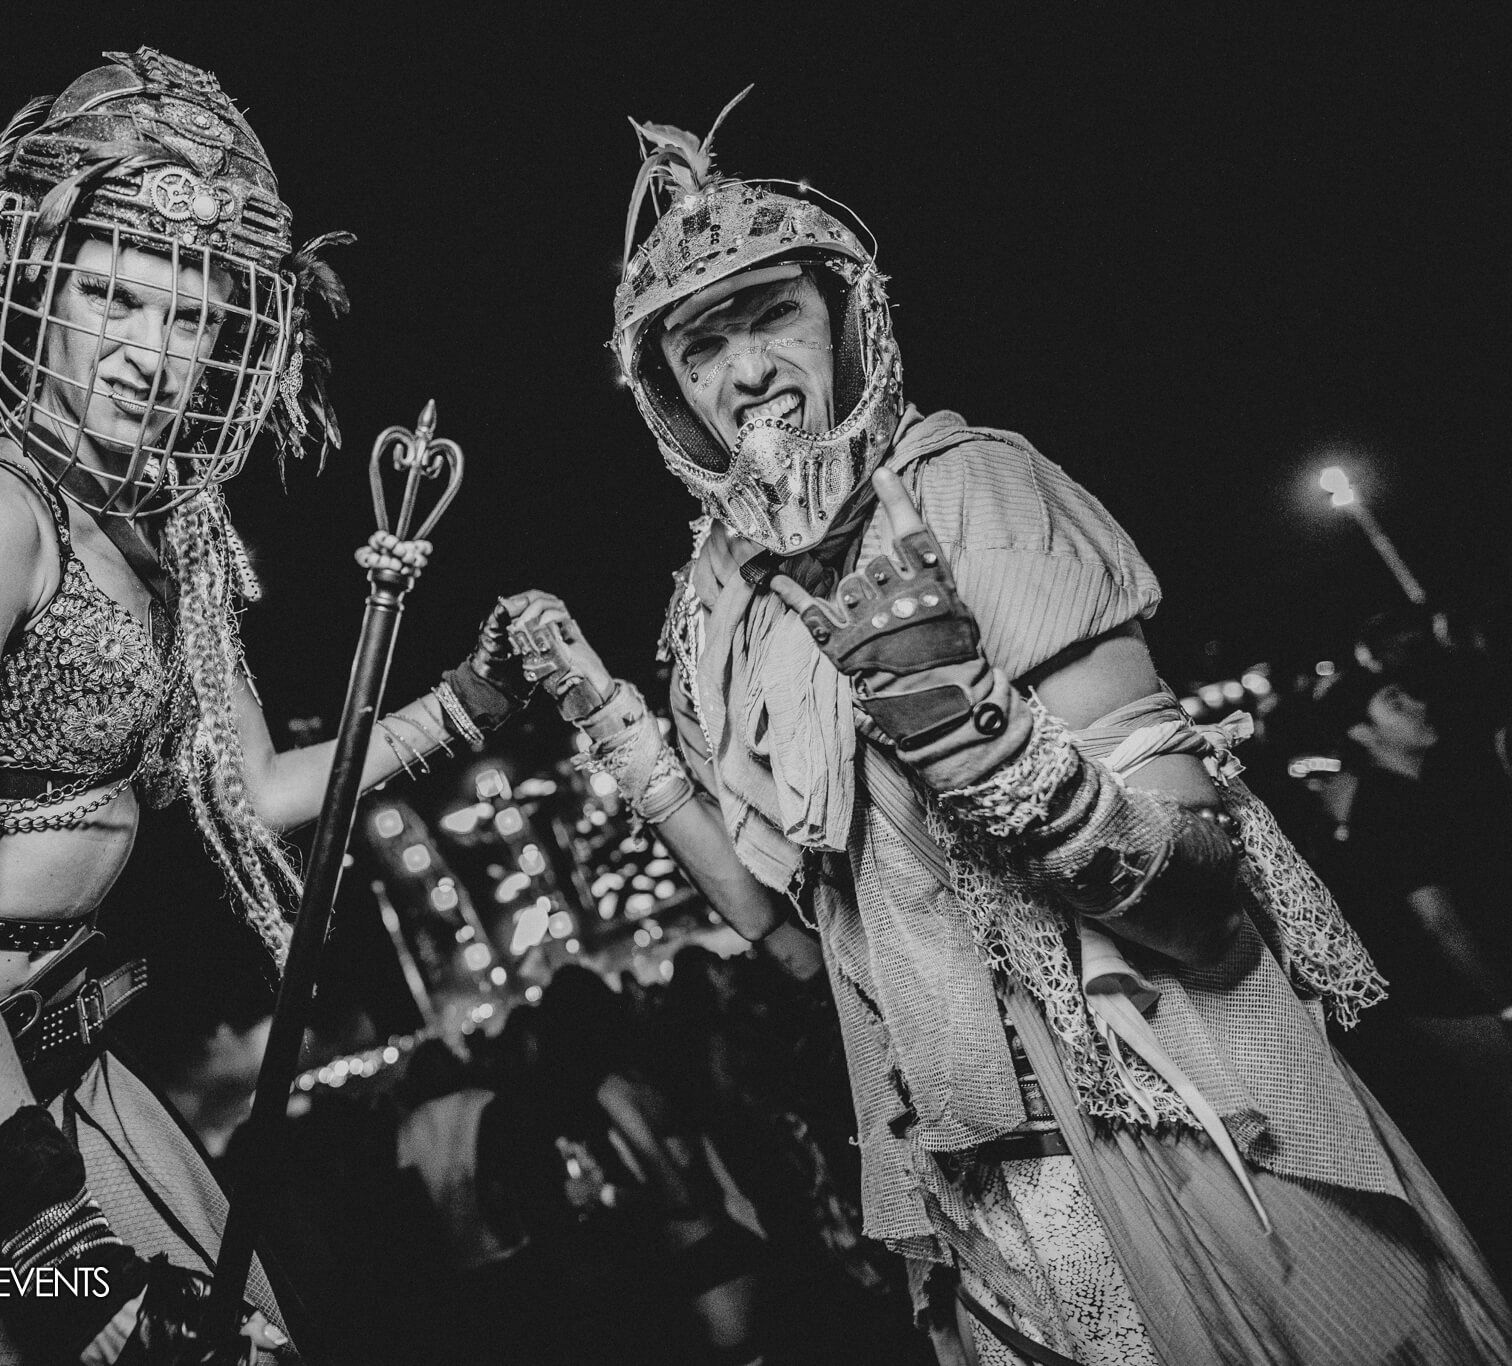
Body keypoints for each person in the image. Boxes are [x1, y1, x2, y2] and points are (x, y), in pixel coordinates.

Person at [502, 93, 1511, 1364]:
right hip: (985, 1213)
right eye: (703, 347)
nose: (747, 370)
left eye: (772, 315)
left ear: (847, 323)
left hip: (1180, 1132)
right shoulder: (720, 605)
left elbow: (1196, 894)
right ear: (672, 398)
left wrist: (973, 738)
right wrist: (615, 723)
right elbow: (785, 932)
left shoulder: (971, 483)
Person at [0, 46, 530, 1365]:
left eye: (194, 311)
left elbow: (257, 787)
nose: (153, 350)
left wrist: (465, 704)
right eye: (111, 295)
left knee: (248, 1340)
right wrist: (59, 1242)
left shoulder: (178, 527)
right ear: (36, 285)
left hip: (40, 1045)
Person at [1309, 665, 1512, 1279]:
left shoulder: (1420, 792)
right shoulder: (1391, 807)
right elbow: (1438, 923)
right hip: (1462, 1012)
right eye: (1395, 701)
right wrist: (1502, 1002)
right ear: (1363, 733)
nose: (1418, 703)